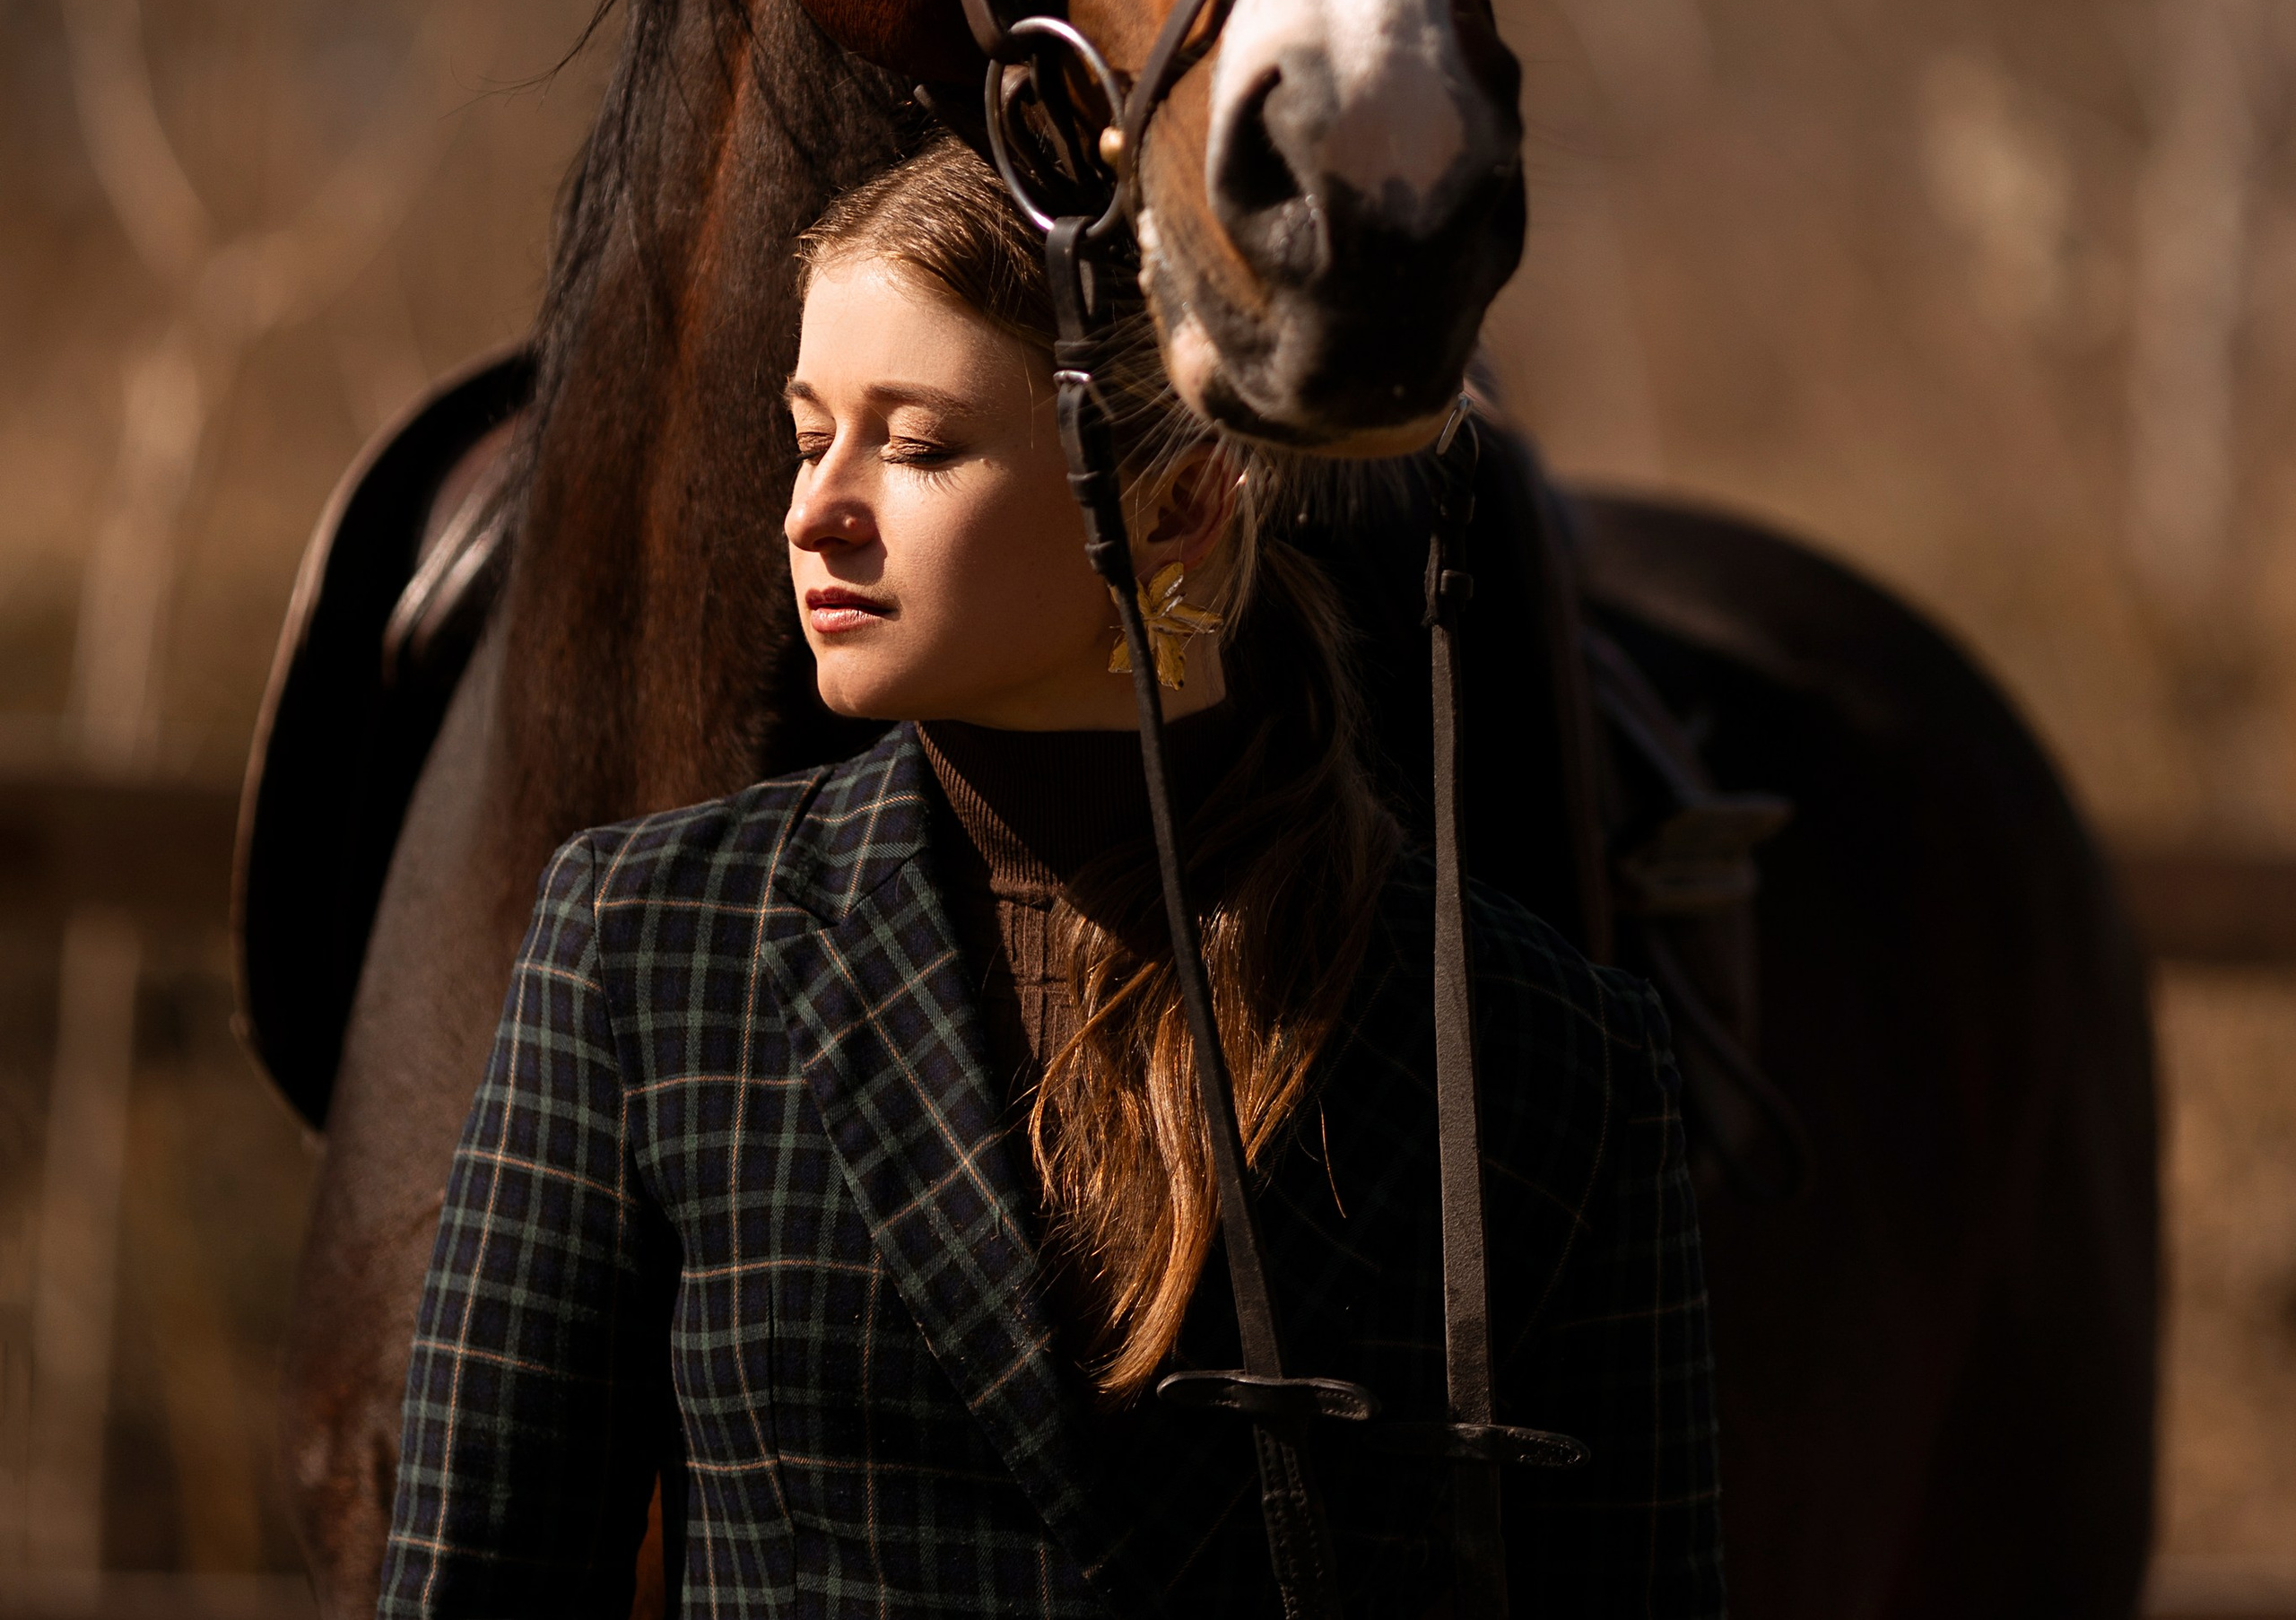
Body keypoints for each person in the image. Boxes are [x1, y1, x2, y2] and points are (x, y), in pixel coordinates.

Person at [378, 137, 1725, 1618]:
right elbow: (479, 1587)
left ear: (1183, 502)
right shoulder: (644, 953)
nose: (814, 510)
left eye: (919, 443)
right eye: (809, 431)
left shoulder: (1557, 1058)